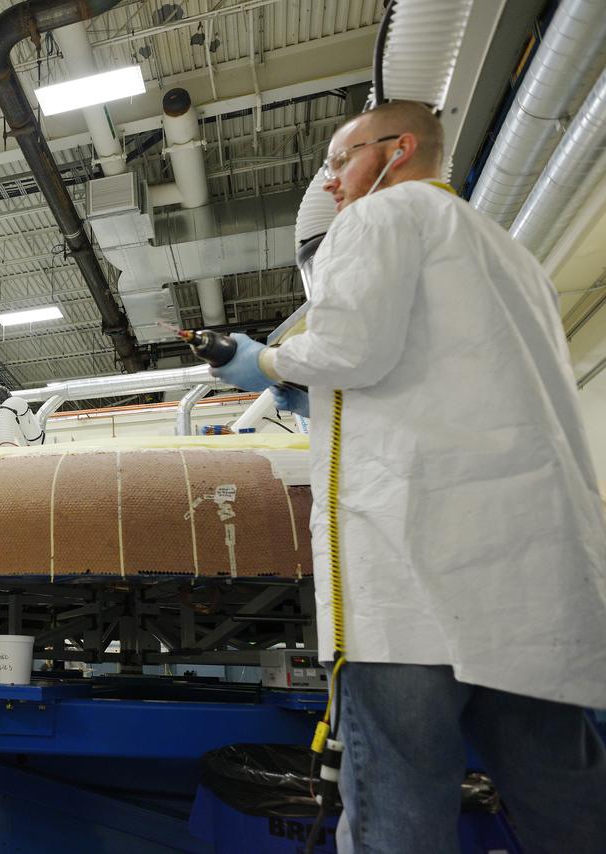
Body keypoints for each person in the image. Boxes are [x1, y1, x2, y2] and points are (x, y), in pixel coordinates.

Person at [212, 100, 606, 854]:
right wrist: (318, 394)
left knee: (401, 795)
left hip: (411, 571)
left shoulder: (381, 218)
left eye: (339, 161)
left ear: (397, 149)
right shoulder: (509, 254)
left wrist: (261, 362)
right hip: (526, 574)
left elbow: (351, 348)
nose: (330, 184)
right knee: (563, 786)